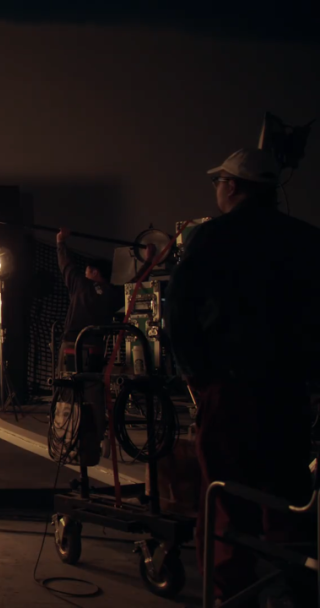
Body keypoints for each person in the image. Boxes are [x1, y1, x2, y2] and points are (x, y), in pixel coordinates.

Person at [167, 148, 320, 606]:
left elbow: (180, 310)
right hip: (291, 393)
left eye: (219, 182)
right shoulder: (306, 239)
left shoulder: (211, 237)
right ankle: (293, 588)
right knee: (288, 497)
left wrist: (195, 374)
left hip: (231, 392)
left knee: (227, 500)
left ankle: (231, 596)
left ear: (232, 186)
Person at [53, 229, 119, 464]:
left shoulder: (81, 285)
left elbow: (66, 265)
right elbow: (135, 284)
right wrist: (149, 261)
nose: (85, 272)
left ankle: (65, 439)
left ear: (94, 272)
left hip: (72, 346)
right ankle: (94, 440)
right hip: (95, 349)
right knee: (93, 395)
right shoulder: (113, 293)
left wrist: (60, 243)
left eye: (88, 270)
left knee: (67, 391)